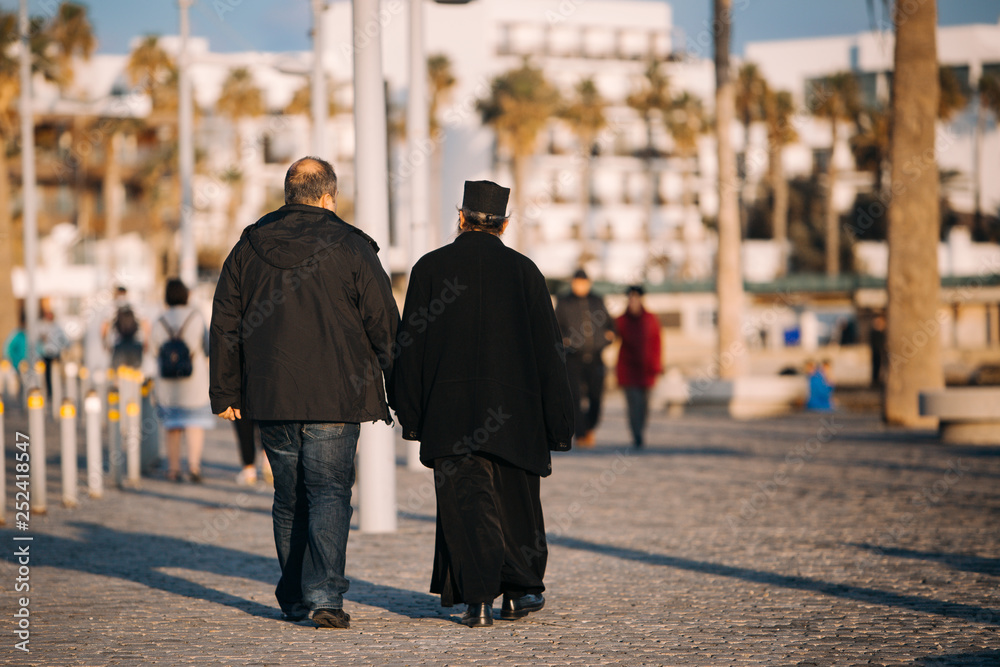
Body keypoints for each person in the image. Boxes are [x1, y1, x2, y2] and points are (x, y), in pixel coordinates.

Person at [210, 156, 399, 629]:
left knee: (289, 496)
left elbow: (225, 323)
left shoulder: (249, 246)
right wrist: (403, 391)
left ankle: (295, 596)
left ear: (289, 193)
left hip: (271, 396)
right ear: (328, 196)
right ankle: (324, 598)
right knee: (330, 492)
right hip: (337, 395)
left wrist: (226, 391)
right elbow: (385, 325)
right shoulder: (353, 246)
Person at [389, 180, 574, 628]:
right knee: (514, 503)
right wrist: (558, 422)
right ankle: (518, 592)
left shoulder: (430, 268)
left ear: (461, 218)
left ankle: (477, 601)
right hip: (516, 414)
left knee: (466, 504)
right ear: (504, 224)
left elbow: (409, 347)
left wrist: (411, 414)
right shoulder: (525, 272)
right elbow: (549, 353)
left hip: (450, 414)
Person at [151, 278, 213, 482]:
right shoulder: (196, 317)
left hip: (167, 383)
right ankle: (194, 467)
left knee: (172, 427)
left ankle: (173, 469)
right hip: (194, 381)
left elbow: (153, 350)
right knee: (195, 425)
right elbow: (207, 347)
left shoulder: (159, 320)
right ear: (186, 295)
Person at [555, 268, 615, 448]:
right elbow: (556, 326)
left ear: (589, 283)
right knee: (574, 398)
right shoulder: (564, 302)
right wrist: (565, 340)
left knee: (596, 397)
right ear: (572, 283)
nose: (580, 286)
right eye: (577, 282)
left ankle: (589, 428)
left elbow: (609, 323)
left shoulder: (597, 300)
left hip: (596, 357)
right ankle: (580, 434)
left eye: (584, 282)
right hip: (573, 357)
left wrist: (608, 337)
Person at [615, 286, 662, 448]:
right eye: (630, 299)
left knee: (644, 406)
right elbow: (611, 336)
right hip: (628, 371)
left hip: (647, 371)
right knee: (633, 405)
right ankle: (636, 435)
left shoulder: (650, 319)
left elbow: (657, 343)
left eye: (636, 299)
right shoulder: (621, 320)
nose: (633, 302)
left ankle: (641, 430)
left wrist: (656, 366)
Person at [38, 300, 70, 399]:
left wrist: (63, 348)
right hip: (45, 354)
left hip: (55, 354)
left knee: (56, 374)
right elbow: (37, 340)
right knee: (47, 376)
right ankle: (49, 392)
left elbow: (64, 340)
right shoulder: (41, 326)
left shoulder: (57, 327)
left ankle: (57, 392)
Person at [869, 314, 887, 387]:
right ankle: (875, 380)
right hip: (876, 351)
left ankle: (879, 380)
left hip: (881, 351)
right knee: (875, 366)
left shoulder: (882, 332)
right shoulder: (874, 332)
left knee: (881, 366)